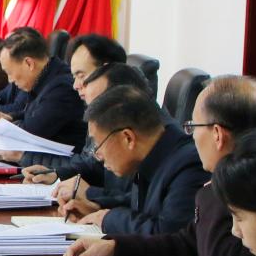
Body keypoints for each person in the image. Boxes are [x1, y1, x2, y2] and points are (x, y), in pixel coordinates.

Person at [65, 75, 256, 256]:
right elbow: (185, 243)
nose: (192, 136)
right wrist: (116, 247)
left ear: (217, 135)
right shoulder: (245, 179)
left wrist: (212, 190)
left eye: (193, 126)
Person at [60, 85, 206, 234]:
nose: (98, 155)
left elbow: (168, 233)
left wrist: (108, 219)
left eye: (98, 145)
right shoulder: (156, 153)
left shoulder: (189, 166)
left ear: (128, 138)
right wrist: (97, 207)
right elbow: (141, 205)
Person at [25, 62, 151, 207]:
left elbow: (140, 204)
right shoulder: (125, 127)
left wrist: (91, 194)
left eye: (98, 106)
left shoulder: (153, 142)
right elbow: (96, 167)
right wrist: (56, 174)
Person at [0, 29, 87, 149]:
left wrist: (3, 127)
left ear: (29, 63)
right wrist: (10, 117)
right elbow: (37, 113)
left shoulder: (61, 88)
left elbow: (32, 132)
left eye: (9, 72)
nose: (10, 80)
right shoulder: (46, 76)